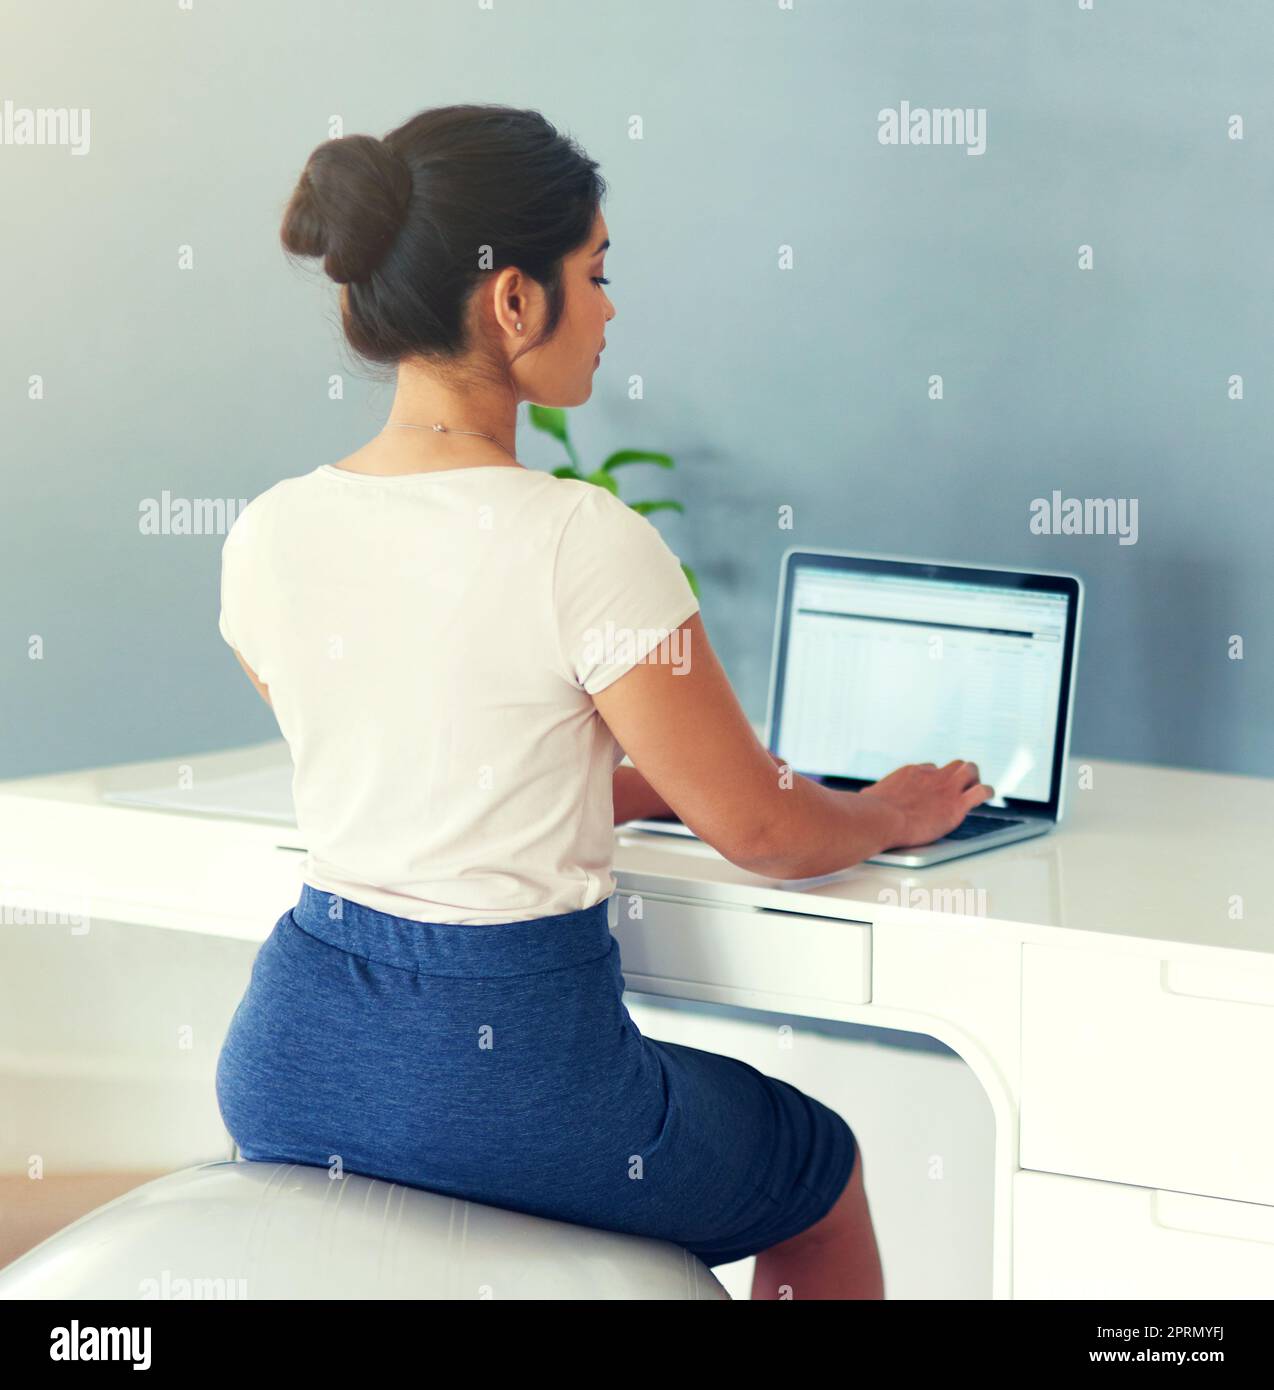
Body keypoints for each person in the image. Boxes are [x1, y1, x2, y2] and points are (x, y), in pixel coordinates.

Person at [214, 103, 992, 1300]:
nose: (613, 306)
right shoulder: (582, 535)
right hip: (513, 1082)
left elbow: (414, 747)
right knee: (818, 1169)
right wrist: (882, 813)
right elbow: (769, 836)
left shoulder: (269, 528)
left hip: (293, 1057)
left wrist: (637, 780)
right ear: (513, 301)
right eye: (597, 271)